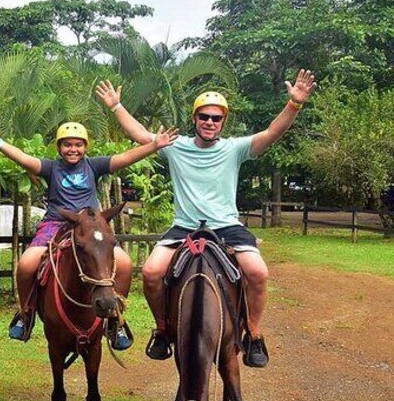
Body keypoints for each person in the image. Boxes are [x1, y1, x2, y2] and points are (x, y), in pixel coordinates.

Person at [96, 70, 317, 367]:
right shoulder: (174, 146)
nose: (209, 122)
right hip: (185, 227)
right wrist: (116, 106)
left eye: (216, 118)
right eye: (204, 117)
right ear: (195, 119)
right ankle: (162, 330)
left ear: (223, 121)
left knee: (258, 272)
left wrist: (295, 104)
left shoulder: (235, 148)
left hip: (226, 227)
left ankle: (253, 333)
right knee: (150, 272)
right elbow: (139, 135)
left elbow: (272, 133)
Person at [0, 121, 178, 347]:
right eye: (67, 145)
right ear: (59, 147)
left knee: (125, 263)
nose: (73, 149)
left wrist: (154, 146)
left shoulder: (94, 166)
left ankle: (115, 318)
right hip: (56, 223)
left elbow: (125, 158)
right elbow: (23, 158)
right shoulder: (51, 167)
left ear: (86, 147)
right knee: (26, 263)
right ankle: (26, 313)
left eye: (78, 145)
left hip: (90, 227)